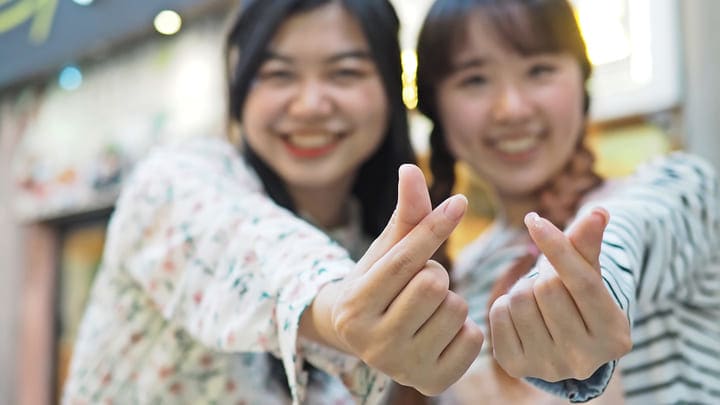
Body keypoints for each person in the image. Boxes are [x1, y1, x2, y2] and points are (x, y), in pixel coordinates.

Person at [61, 1, 486, 404]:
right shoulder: (176, 180)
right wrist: (338, 303)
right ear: (240, 88)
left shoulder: (379, 239)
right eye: (279, 74)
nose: (310, 105)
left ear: (390, 90)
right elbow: (249, 247)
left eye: (344, 72)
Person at [414, 0, 720, 403]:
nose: (512, 109)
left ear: (582, 80)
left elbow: (628, 233)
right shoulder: (453, 283)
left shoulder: (676, 186)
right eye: (474, 80)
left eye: (539, 70)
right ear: (436, 107)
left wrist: (589, 282)